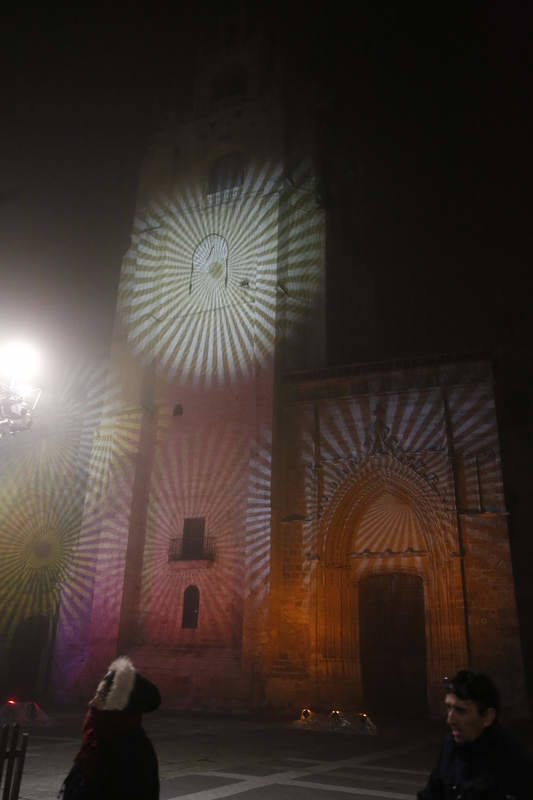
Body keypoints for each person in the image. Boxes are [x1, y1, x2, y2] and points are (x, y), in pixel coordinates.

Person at [418, 669, 533, 799]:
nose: (450, 720)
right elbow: (431, 794)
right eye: (448, 707)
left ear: (488, 717)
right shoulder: (449, 745)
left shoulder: (513, 760)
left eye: (461, 711)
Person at [58, 656, 161, 800]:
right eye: (96, 694)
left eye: (100, 696)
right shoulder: (97, 741)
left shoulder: (130, 752)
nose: (92, 703)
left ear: (118, 706)